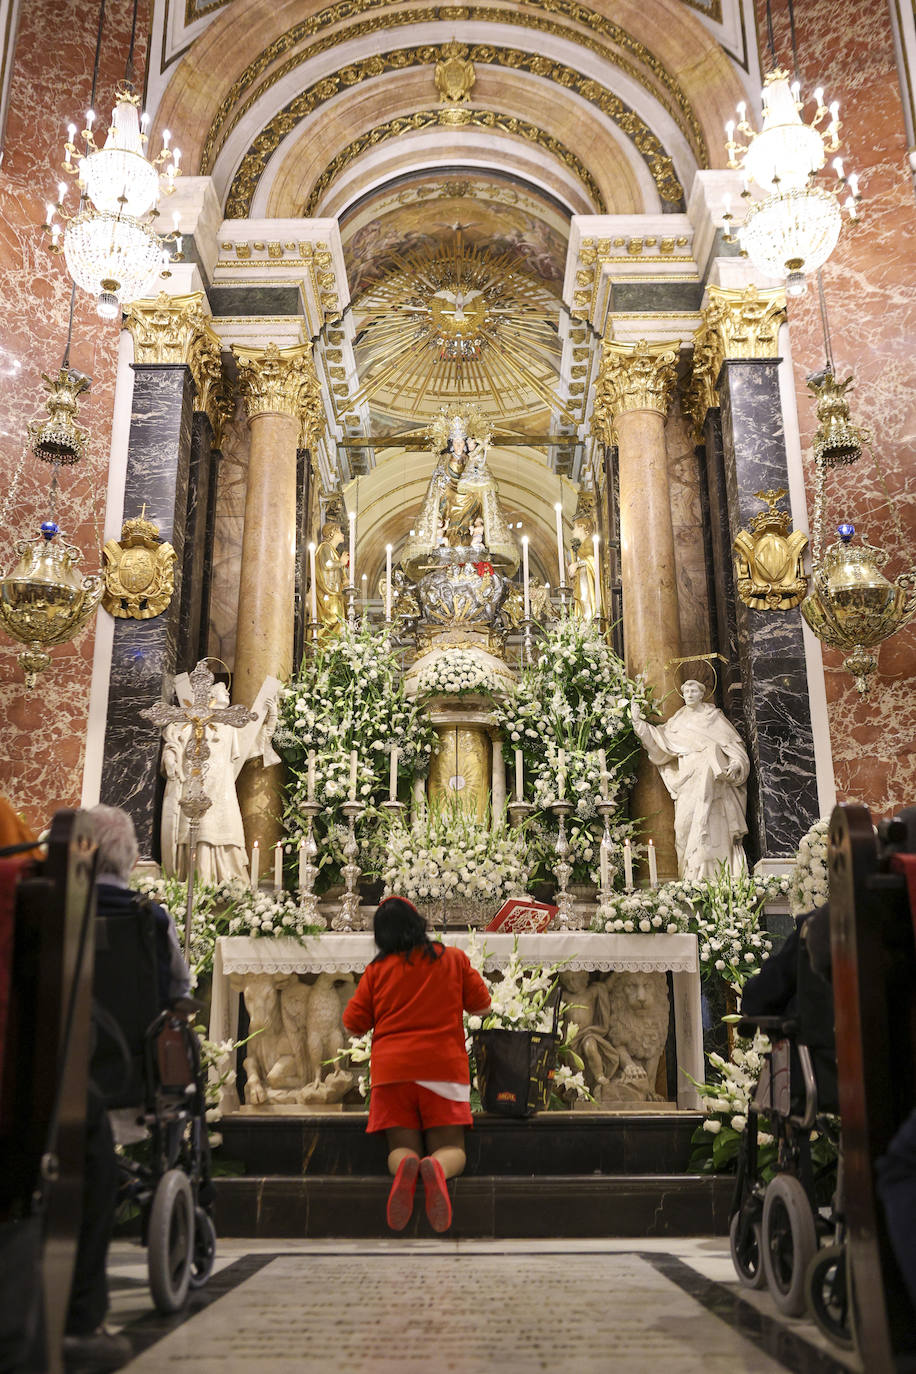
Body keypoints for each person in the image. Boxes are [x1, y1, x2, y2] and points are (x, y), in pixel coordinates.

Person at [342, 897, 491, 1233]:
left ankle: (409, 1164)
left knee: (401, 1148)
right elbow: (482, 1006)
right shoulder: (452, 959)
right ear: (418, 922)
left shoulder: (376, 971)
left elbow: (353, 1024)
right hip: (442, 1069)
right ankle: (436, 1167)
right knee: (453, 1148)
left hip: (393, 1073)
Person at [159, 675, 279, 885]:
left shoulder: (230, 725)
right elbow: (175, 741)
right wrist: (170, 758)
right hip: (196, 783)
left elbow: (255, 744)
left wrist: (272, 718)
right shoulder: (192, 719)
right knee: (197, 827)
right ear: (210, 696)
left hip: (221, 788)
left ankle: (225, 881)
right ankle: (196, 879)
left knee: (223, 827)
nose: (228, 694)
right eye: (224, 692)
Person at [631, 680, 750, 881]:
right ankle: (690, 876)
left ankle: (716, 879)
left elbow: (735, 748)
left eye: (694, 690)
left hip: (714, 783)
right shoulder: (678, 722)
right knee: (683, 827)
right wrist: (638, 724)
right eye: (686, 691)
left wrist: (736, 763)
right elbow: (660, 744)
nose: (689, 694)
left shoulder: (714, 718)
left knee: (711, 829)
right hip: (688, 781)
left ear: (702, 693)